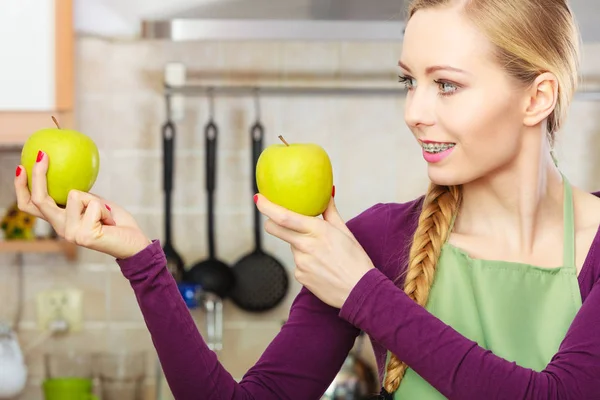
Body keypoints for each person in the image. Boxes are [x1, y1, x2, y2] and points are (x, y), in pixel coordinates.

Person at [13, 0, 600, 398]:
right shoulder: (376, 241)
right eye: (409, 81)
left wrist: (364, 294)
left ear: (536, 98)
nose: (414, 111)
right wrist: (140, 260)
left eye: (446, 84)